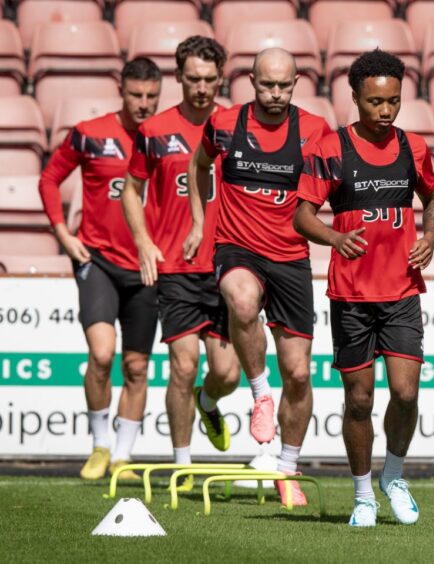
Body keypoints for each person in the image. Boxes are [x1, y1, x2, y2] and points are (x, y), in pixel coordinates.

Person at [294, 49, 434, 527]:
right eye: (376, 101)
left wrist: (430, 236)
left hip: (401, 291)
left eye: (394, 101)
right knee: (359, 399)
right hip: (351, 295)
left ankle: (393, 475)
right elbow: (301, 216)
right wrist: (334, 236)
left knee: (405, 392)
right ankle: (363, 495)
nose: (385, 111)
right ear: (355, 97)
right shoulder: (328, 149)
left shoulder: (414, 147)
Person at [184, 48, 332, 507]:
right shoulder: (225, 123)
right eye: (267, 85)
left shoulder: (314, 131)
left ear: (296, 83)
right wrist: (197, 222)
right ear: (251, 81)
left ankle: (286, 466)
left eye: (284, 86)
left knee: (300, 372)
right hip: (237, 247)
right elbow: (198, 166)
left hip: (290, 257)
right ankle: (260, 394)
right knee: (242, 302)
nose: (275, 94)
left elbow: (332, 187)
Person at [121, 36, 240, 487]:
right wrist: (143, 241)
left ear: (221, 78)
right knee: (183, 364)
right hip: (175, 266)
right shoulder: (154, 131)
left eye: (210, 79)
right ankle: (183, 464)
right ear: (178, 77)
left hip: (228, 264)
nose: (202, 87)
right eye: (193, 78)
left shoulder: (236, 127)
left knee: (226, 372)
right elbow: (131, 190)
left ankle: (207, 403)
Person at [38, 58, 162, 480]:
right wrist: (63, 235)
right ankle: (99, 446)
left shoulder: (166, 138)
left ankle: (124, 458)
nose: (144, 104)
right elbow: (49, 179)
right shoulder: (90, 134)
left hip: (146, 267)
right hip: (100, 261)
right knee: (102, 353)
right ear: (121, 92)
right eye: (136, 95)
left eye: (151, 96)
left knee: (137, 366)